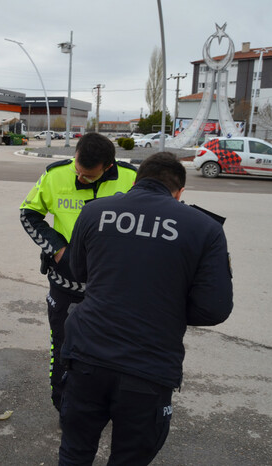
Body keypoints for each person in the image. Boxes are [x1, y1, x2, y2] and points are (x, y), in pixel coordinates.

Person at [59, 152, 233, 465]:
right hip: (148, 368)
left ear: (136, 182)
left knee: (75, 451)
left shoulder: (95, 211)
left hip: (86, 356)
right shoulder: (205, 228)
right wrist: (165, 307)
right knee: (129, 459)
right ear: (180, 193)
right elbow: (214, 309)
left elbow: (79, 273)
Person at [19, 132, 137, 412]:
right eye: (78, 171)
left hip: (113, 289)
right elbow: (29, 213)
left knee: (112, 349)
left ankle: (105, 405)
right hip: (66, 284)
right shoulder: (55, 174)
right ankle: (64, 406)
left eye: (88, 177)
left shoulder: (131, 179)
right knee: (63, 347)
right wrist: (58, 250)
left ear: (108, 167)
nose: (80, 178)